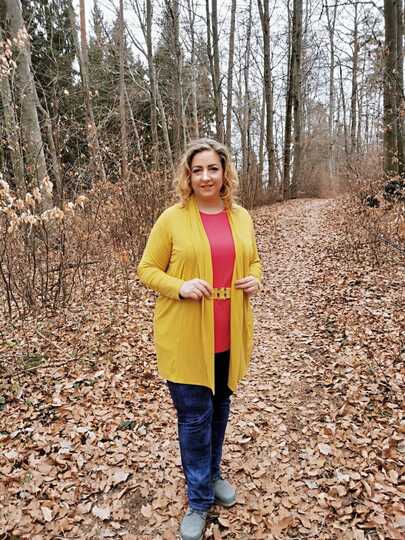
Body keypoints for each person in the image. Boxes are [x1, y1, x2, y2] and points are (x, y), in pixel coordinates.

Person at [137, 138, 262, 540]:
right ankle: (198, 500)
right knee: (194, 419)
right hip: (186, 336)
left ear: (225, 173)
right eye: (198, 170)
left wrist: (255, 278)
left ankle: (212, 474)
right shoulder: (172, 219)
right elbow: (147, 269)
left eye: (213, 168)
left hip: (229, 335)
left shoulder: (240, 216)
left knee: (220, 409)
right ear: (187, 177)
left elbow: (254, 260)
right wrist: (180, 286)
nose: (206, 177)